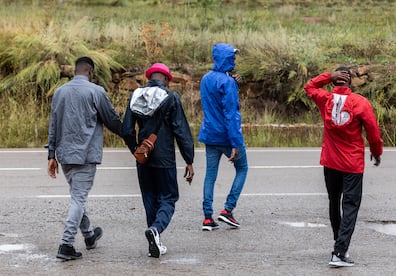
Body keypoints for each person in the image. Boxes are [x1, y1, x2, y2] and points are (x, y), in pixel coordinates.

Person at [304, 67, 383, 267]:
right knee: (350, 206)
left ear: (334, 81)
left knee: (334, 201)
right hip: (352, 164)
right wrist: (376, 151)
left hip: (330, 162)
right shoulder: (360, 103)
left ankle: (339, 241)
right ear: (349, 82)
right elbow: (373, 131)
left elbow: (309, 86)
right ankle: (339, 251)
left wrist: (328, 76)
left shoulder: (325, 99)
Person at [47, 56, 122, 261]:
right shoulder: (96, 91)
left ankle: (89, 235)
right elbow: (112, 120)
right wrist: (130, 136)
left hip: (64, 155)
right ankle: (66, 244)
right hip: (86, 155)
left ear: (76, 71)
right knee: (78, 199)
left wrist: (51, 155)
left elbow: (53, 124)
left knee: (76, 197)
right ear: (90, 72)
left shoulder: (60, 92)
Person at [122, 63, 194, 258]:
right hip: (165, 158)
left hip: (143, 158)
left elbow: (126, 130)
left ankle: (154, 241)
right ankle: (156, 230)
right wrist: (189, 159)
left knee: (149, 198)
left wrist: (136, 150)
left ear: (149, 78)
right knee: (169, 198)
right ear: (167, 80)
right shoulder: (171, 97)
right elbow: (181, 130)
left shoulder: (136, 95)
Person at [198, 43, 248, 231]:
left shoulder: (206, 79)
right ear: (225, 58)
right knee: (242, 168)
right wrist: (235, 142)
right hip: (226, 136)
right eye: (232, 57)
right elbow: (231, 113)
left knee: (210, 175)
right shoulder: (227, 83)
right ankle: (228, 209)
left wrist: (233, 83)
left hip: (209, 133)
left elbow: (215, 103)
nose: (234, 60)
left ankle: (207, 217)